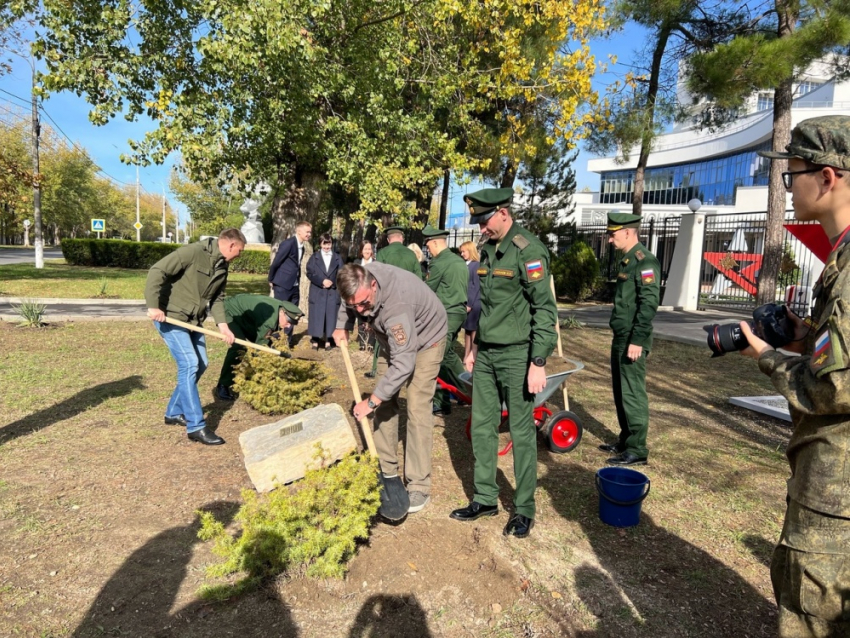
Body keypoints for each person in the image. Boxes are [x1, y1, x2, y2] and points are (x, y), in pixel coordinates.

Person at [740, 115, 850, 637]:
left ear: (828, 178)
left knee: (812, 612)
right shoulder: (841, 261)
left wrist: (767, 355)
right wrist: (807, 341)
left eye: (793, 173)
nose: (788, 186)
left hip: (837, 491)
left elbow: (832, 388)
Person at [449, 188, 557, 539]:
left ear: (503, 213)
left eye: (484, 220)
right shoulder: (488, 249)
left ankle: (524, 508)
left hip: (517, 354)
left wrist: (538, 360)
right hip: (488, 353)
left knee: (522, 432)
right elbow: (488, 307)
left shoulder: (529, 250)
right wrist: (474, 346)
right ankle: (485, 498)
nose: (481, 228)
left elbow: (544, 310)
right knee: (481, 425)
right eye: (477, 222)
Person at [332, 262, 447, 516]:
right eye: (355, 306)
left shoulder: (397, 306)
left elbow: (404, 363)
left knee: (416, 406)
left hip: (428, 339)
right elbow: (348, 300)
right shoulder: (359, 281)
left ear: (373, 285)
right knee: (385, 400)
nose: (360, 311)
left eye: (363, 304)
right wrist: (343, 323)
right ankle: (386, 466)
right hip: (390, 339)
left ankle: (418, 483)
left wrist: (370, 402)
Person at [145, 228, 247, 446]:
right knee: (190, 364)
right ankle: (196, 426)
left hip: (193, 321)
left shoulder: (223, 265)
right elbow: (157, 270)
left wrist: (223, 327)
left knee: (201, 364)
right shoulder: (192, 252)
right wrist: (154, 306)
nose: (240, 255)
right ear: (231, 245)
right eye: (240, 250)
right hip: (171, 317)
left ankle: (173, 411)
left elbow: (218, 298)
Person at [597, 212, 661, 467]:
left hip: (632, 338)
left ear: (627, 232)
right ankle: (625, 440)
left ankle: (637, 448)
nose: (610, 240)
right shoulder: (628, 262)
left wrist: (637, 340)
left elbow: (648, 305)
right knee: (620, 390)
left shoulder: (645, 262)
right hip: (621, 336)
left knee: (632, 392)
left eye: (613, 235)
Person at [214, 294, 304, 400]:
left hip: (246, 317)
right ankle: (223, 385)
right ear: (282, 313)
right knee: (239, 346)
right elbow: (259, 348)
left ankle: (249, 374)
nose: (289, 326)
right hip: (229, 312)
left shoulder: (279, 310)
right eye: (289, 322)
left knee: (266, 344)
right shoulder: (269, 321)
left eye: (292, 323)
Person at [421, 224, 468, 416]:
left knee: (436, 355)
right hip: (458, 313)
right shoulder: (457, 261)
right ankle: (463, 391)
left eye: (429, 246)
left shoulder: (439, 262)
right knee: (446, 354)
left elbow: (427, 290)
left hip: (445, 313)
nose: (428, 250)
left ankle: (448, 399)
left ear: (434, 243)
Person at [365, 226, 424, 379]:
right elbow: (419, 278)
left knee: (383, 334)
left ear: (388, 239)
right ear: (402, 239)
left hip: (388, 300)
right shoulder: (411, 254)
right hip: (408, 300)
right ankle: (407, 366)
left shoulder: (383, 253)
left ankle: (378, 368)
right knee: (407, 333)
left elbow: (376, 279)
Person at [305, 233, 344, 350]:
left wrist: (331, 281)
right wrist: (322, 281)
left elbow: (341, 273)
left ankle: (328, 340)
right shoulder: (314, 257)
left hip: (332, 291)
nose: (327, 247)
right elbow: (310, 273)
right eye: (324, 244)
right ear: (320, 244)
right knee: (317, 315)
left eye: (329, 244)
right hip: (318, 290)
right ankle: (315, 340)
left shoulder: (337, 258)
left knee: (331, 316)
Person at [459, 240, 481, 362]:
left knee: (473, 330)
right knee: (467, 330)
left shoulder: (476, 265)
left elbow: (475, 286)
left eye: (464, 251)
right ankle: (466, 355)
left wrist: (470, 304)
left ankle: (473, 355)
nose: (462, 254)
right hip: (468, 302)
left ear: (470, 251)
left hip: (474, 303)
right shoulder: (466, 264)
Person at [356, 240, 376, 351]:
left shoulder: (375, 263)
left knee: (372, 317)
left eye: (369, 249)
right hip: (360, 294)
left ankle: (371, 344)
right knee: (361, 317)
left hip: (372, 295)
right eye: (365, 249)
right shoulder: (357, 263)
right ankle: (362, 343)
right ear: (361, 251)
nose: (367, 251)